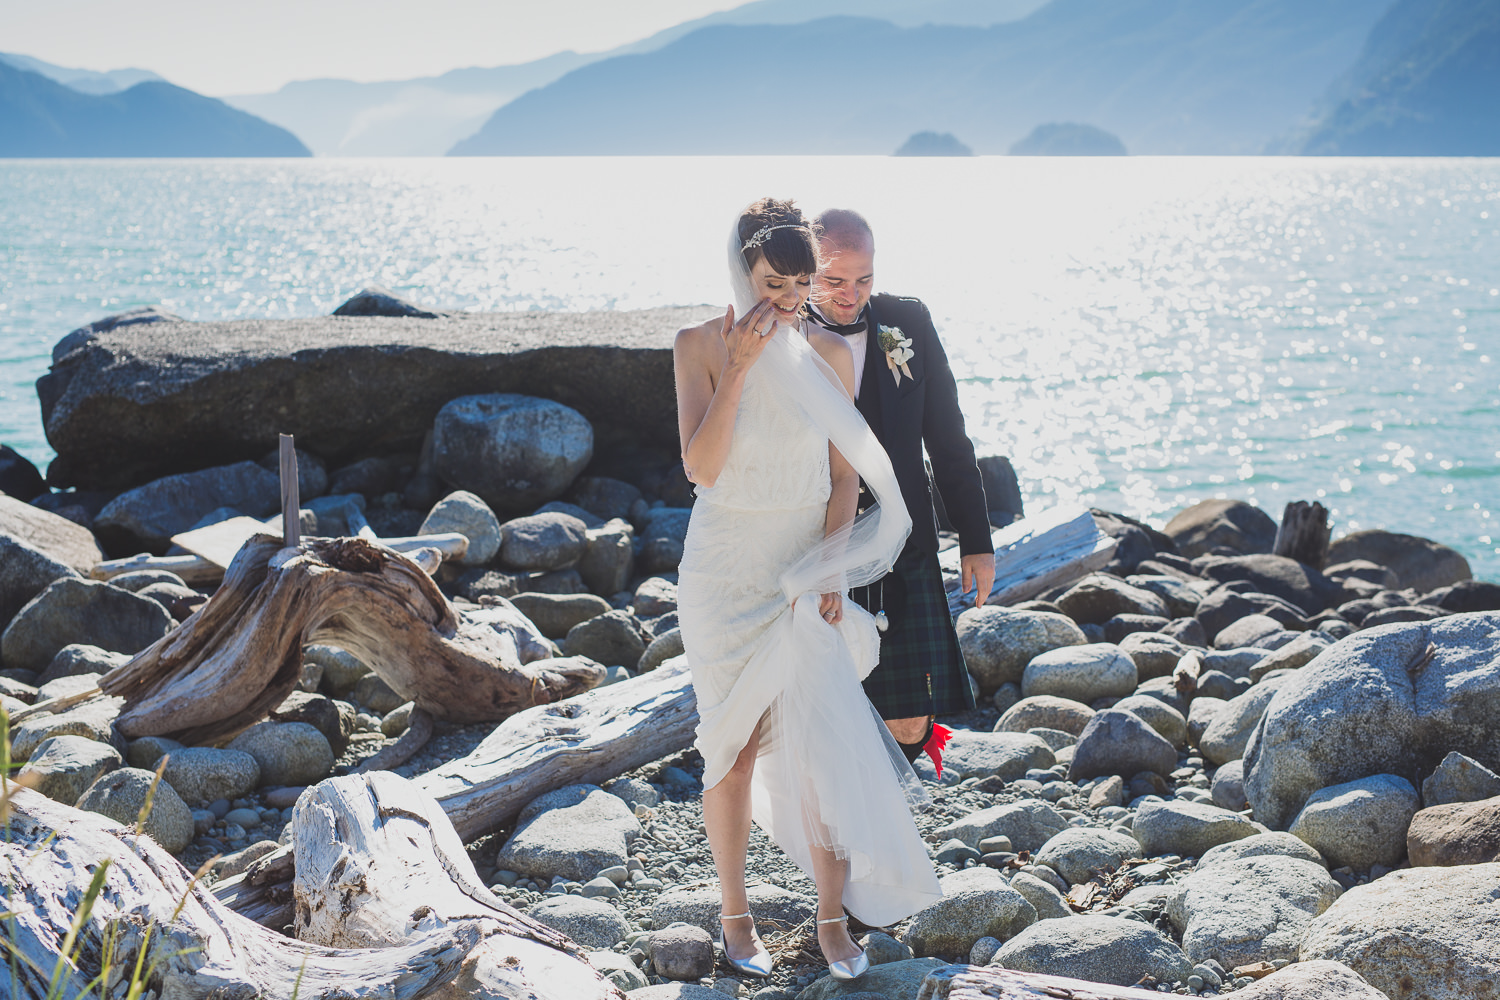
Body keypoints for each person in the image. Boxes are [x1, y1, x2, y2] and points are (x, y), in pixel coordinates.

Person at [674, 198, 941, 982]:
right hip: (723, 571)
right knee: (731, 749)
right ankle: (735, 917)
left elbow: (841, 477)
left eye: (799, 286)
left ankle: (831, 921)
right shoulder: (698, 346)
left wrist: (829, 567)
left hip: (800, 572)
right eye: (773, 284)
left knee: (821, 744)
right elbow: (702, 468)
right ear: (740, 271)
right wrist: (744, 368)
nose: (787, 302)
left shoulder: (828, 353)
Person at [809, 209, 996, 768]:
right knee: (834, 700)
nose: (852, 294)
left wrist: (976, 539)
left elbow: (947, 435)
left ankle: (877, 816)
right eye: (835, 280)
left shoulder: (905, 321)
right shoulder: (786, 331)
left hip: (904, 539)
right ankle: (847, 834)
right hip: (820, 540)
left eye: (863, 279)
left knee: (912, 719)